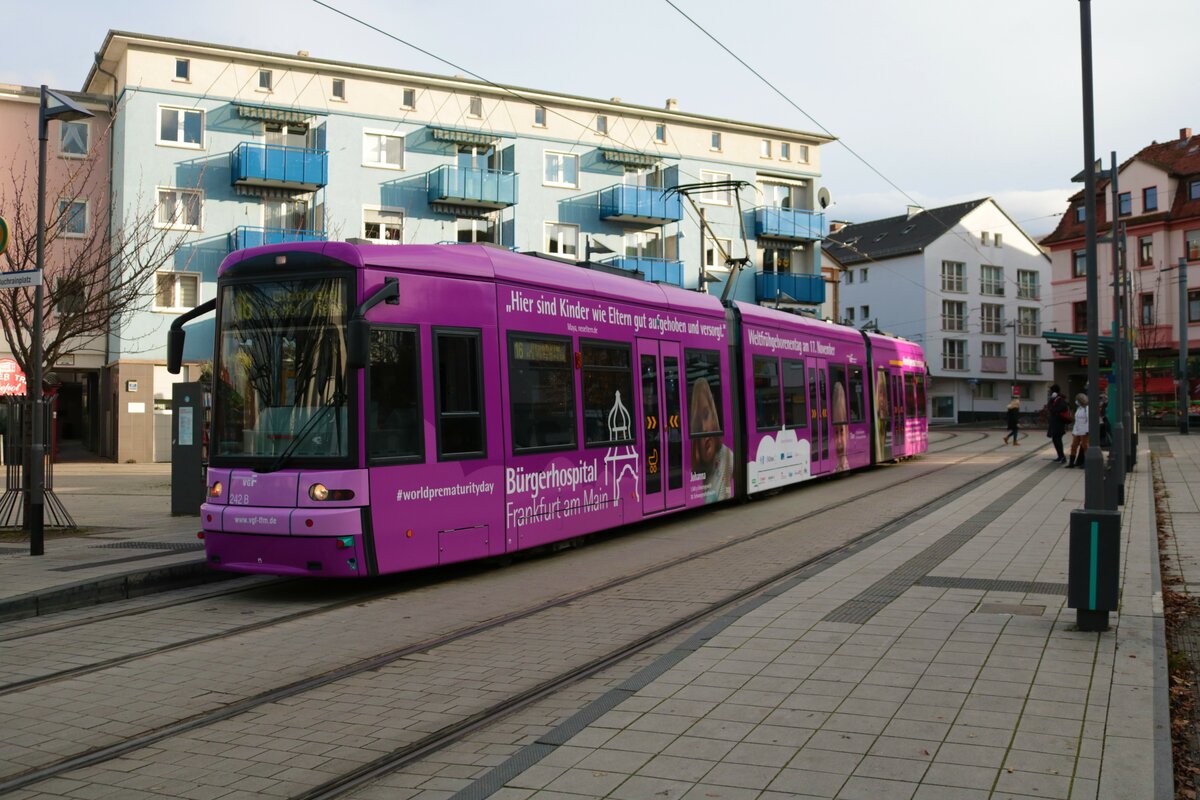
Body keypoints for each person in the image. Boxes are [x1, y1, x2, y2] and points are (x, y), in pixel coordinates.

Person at [689, 378, 733, 502]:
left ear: (714, 418)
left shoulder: (727, 457)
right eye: (698, 422)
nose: (704, 428)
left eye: (706, 415)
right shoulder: (699, 467)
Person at [1046, 385, 1070, 463]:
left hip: (1058, 423)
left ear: (1054, 392)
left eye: (1050, 391)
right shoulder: (1055, 399)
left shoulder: (1060, 399)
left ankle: (1062, 457)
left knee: (1058, 440)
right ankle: (1060, 456)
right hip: (1054, 423)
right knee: (1055, 440)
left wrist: (1053, 408)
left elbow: (1061, 408)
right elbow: (1049, 407)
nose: (1049, 392)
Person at [1068, 393, 1089, 468]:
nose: (1076, 401)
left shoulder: (1087, 409)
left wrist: (1087, 430)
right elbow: (1076, 421)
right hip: (1077, 431)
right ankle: (1071, 463)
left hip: (1084, 431)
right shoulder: (1079, 408)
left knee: (1085, 446)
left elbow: (1089, 421)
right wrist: (1074, 431)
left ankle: (1086, 463)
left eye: (1077, 400)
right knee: (1073, 446)